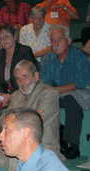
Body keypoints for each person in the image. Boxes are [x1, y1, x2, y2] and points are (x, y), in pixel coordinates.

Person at [39, 24, 90, 159]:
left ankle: (73, 145)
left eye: (60, 39)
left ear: (68, 41)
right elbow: (44, 82)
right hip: (56, 93)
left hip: (78, 91)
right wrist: (53, 92)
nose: (56, 43)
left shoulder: (80, 56)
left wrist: (56, 90)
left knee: (70, 100)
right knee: (43, 99)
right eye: (52, 40)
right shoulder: (48, 59)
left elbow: (80, 82)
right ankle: (48, 144)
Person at [0, 24, 38, 108]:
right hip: (4, 94)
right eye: (1, 38)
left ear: (14, 36)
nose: (5, 39)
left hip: (23, 92)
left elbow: (30, 78)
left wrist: (11, 95)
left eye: (7, 36)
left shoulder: (25, 51)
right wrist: (0, 94)